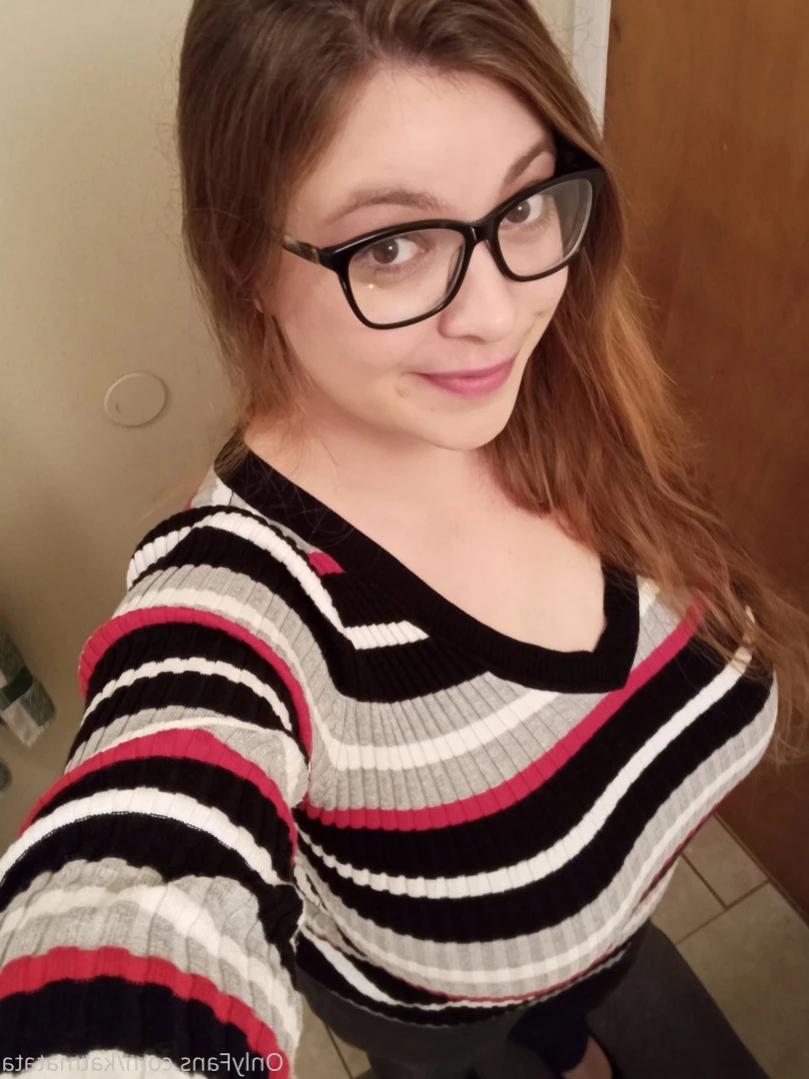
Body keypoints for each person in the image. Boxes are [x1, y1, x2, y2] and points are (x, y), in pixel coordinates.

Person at [1, 1, 807, 1077]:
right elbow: (134, 883)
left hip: (601, 944)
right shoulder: (243, 600)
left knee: (571, 1011)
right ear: (244, 261)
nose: (498, 311)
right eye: (389, 245)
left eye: (524, 202)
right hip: (438, 1017)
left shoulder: (581, 384)